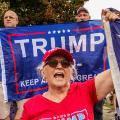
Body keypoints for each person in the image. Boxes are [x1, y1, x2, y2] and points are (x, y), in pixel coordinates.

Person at [21, 47, 114, 119]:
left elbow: (117, 69)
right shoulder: (31, 106)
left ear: (71, 72)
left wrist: (115, 25)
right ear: (43, 72)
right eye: (53, 63)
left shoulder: (85, 90)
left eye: (65, 63)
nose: (59, 66)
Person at [0, 10, 28, 120]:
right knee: (3, 114)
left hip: (22, 81)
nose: (8, 19)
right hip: (3, 82)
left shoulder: (26, 36)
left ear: (17, 21)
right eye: (5, 17)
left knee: (24, 111)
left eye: (11, 17)